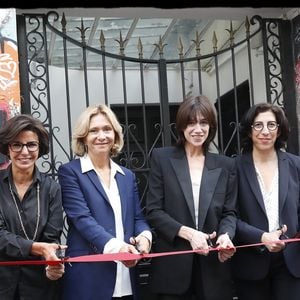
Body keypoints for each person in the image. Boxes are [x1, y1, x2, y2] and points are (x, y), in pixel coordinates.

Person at [145, 95, 237, 300]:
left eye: (204, 123)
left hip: (214, 265)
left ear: (211, 126)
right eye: (191, 122)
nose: (198, 129)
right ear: (181, 126)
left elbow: (229, 212)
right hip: (173, 266)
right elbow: (153, 211)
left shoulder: (225, 165)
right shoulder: (162, 158)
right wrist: (189, 234)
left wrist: (225, 236)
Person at [58, 104, 152, 300]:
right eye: (94, 130)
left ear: (115, 135)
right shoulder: (70, 172)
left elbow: (138, 218)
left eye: (107, 129)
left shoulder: (127, 176)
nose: (101, 136)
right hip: (89, 279)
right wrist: (118, 248)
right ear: (83, 136)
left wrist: (145, 237)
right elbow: (81, 219)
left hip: (126, 276)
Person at [231, 102, 300, 300]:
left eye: (272, 125)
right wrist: (261, 237)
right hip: (251, 262)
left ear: (279, 130)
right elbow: (229, 215)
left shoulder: (295, 165)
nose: (265, 131)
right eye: (258, 125)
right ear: (249, 130)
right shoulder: (235, 167)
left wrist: (287, 240)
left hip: (290, 262)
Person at [0, 114, 65, 300]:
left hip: (40, 285)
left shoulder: (52, 188)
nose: (24, 151)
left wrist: (52, 263)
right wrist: (39, 248)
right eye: (17, 144)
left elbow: (52, 236)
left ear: (40, 147)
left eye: (31, 144)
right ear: (7, 148)